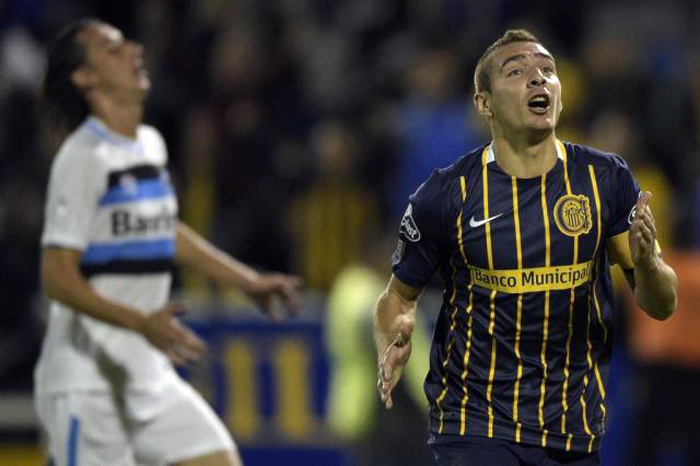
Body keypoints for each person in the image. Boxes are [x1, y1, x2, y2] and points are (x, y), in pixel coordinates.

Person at [373, 29, 678, 466]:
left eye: (547, 71)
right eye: (517, 71)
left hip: (573, 430)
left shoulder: (605, 180)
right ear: (485, 104)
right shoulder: (446, 194)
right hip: (475, 424)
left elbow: (662, 305)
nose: (538, 79)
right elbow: (397, 296)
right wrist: (393, 338)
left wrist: (647, 264)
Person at [35, 18, 301, 466]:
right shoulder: (80, 159)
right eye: (113, 49)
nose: (132, 49)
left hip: (146, 375)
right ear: (85, 77)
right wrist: (139, 322)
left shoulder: (150, 144)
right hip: (88, 382)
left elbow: (163, 228)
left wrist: (247, 280)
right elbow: (56, 278)